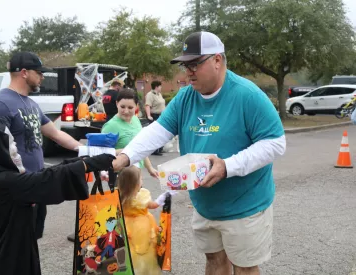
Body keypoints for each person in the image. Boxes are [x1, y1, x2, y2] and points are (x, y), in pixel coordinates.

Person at [112, 31, 286, 275]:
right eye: (185, 65)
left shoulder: (248, 95)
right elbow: (158, 131)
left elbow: (275, 143)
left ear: (217, 60)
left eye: (195, 64)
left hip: (245, 204)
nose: (188, 71)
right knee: (214, 260)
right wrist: (126, 156)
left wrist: (227, 166)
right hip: (206, 205)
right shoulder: (185, 97)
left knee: (245, 267)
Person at [0, 112, 115, 275]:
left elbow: (45, 174)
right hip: (11, 265)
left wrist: (87, 164)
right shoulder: (4, 183)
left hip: (10, 256)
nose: (16, 149)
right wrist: (97, 161)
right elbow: (49, 179)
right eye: (10, 144)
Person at [0, 51, 83, 240]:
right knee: (14, 245)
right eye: (38, 72)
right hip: (17, 192)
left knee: (30, 241)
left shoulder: (31, 104)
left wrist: (87, 150)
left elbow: (55, 134)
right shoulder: (0, 104)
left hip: (35, 187)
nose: (42, 77)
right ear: (23, 72)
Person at [117, 166, 172, 275]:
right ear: (136, 184)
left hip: (125, 226)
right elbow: (153, 205)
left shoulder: (119, 196)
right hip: (143, 228)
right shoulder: (142, 196)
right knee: (146, 252)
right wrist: (163, 197)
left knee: (128, 251)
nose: (142, 180)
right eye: (141, 178)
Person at [101, 88, 158, 178]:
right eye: (122, 107)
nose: (126, 111)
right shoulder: (110, 126)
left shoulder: (136, 120)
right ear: (117, 104)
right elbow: (101, 153)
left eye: (130, 107)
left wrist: (150, 168)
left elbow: (140, 147)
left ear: (136, 106)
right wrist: (121, 151)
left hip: (137, 174)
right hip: (120, 176)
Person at [145, 80, 166, 156]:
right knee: (156, 133)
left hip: (161, 115)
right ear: (156, 87)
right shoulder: (150, 95)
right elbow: (148, 105)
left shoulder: (159, 94)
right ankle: (154, 150)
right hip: (154, 115)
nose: (161, 88)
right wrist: (148, 115)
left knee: (161, 133)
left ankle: (160, 148)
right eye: (160, 86)